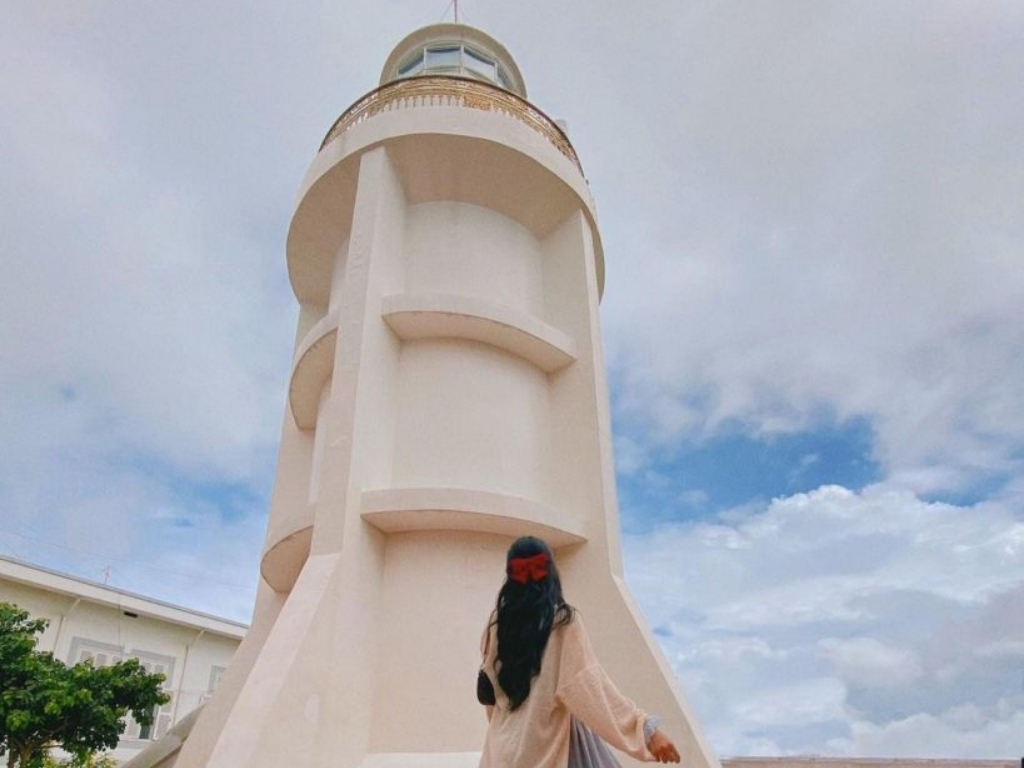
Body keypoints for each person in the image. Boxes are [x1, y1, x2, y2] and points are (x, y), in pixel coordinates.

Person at [477, 536, 682, 767]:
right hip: (543, 751)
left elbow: (490, 694)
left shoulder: (497, 624)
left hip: (500, 752)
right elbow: (590, 689)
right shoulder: (562, 622)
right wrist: (646, 731)